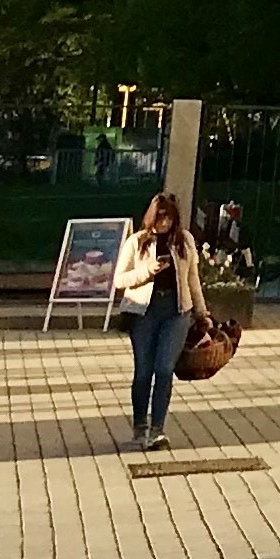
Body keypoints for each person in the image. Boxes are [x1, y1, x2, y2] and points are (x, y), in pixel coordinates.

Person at [110, 189, 211, 450]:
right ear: (151, 217)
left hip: (176, 312)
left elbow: (192, 280)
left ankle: (158, 429)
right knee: (143, 371)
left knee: (164, 369)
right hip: (143, 311)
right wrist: (146, 272)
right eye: (160, 218)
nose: (163, 224)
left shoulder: (184, 241)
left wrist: (202, 314)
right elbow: (119, 279)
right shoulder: (137, 241)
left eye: (168, 219)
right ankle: (140, 426)